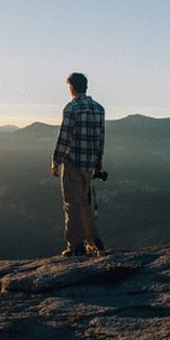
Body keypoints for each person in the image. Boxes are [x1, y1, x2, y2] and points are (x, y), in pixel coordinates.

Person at [50, 72, 106, 257]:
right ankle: (93, 241)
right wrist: (98, 165)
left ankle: (76, 245)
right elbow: (100, 140)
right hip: (89, 165)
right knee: (84, 203)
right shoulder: (99, 109)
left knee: (71, 205)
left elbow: (64, 136)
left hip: (73, 162)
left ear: (72, 87)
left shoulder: (72, 108)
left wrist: (55, 161)